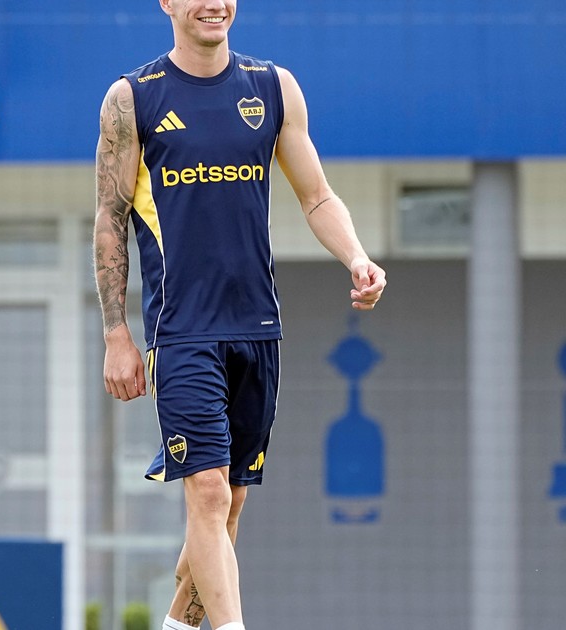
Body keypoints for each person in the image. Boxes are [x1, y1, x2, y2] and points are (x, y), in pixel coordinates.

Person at [92, 1, 386, 629]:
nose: (213, 4)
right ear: (167, 3)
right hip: (181, 331)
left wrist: (357, 257)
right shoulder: (132, 98)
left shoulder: (273, 87)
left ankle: (176, 627)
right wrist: (117, 333)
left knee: (226, 507)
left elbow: (317, 195)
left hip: (257, 328)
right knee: (206, 490)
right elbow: (110, 220)